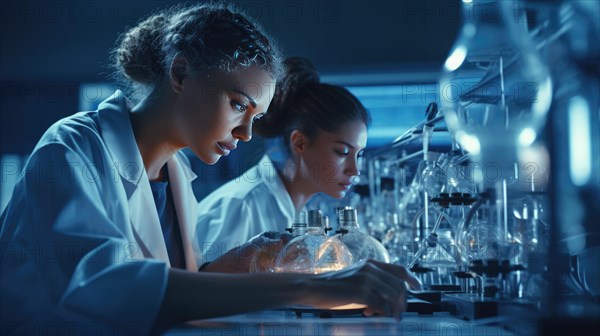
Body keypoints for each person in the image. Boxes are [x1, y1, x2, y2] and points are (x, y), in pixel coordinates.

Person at [0, 3, 420, 334]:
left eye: (255, 117)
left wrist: (231, 266)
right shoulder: (73, 147)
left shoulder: (177, 174)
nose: (245, 133)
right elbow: (102, 286)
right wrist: (313, 286)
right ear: (181, 73)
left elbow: (169, 289)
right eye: (239, 105)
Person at [196, 57, 370, 266]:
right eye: (342, 152)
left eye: (359, 154)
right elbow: (203, 292)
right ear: (300, 143)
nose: (354, 170)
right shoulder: (242, 208)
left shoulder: (299, 213)